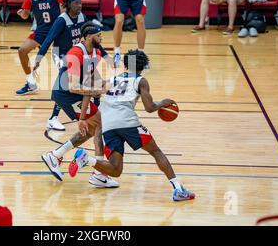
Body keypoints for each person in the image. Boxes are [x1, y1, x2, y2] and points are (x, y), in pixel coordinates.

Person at [69, 50, 196, 201]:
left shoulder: (113, 79)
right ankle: (178, 189)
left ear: (127, 64)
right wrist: (162, 103)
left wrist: (82, 117)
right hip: (126, 121)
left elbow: (89, 91)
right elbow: (149, 108)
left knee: (115, 170)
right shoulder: (141, 80)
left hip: (108, 123)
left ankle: (86, 159)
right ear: (143, 66)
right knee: (155, 151)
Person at [41, 22, 119, 188]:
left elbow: (92, 79)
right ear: (89, 37)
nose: (101, 38)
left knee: (93, 129)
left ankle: (56, 155)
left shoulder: (95, 52)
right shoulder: (76, 53)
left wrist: (113, 84)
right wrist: (94, 92)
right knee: (98, 123)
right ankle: (99, 174)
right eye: (99, 36)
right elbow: (74, 86)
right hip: (65, 94)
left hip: (76, 94)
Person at [33, 0, 110, 131]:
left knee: (91, 78)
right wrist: (39, 57)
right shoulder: (61, 20)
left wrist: (105, 56)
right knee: (65, 81)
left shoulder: (82, 17)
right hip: (61, 55)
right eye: (76, 3)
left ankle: (95, 106)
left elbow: (93, 37)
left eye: (81, 3)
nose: (79, 5)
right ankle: (53, 118)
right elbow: (49, 39)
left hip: (78, 52)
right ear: (68, 5)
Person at [16, 0, 65, 96]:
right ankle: (31, 83)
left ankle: (71, 85)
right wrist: (23, 13)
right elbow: (26, 15)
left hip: (58, 30)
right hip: (41, 31)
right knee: (22, 50)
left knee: (61, 61)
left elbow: (67, 11)